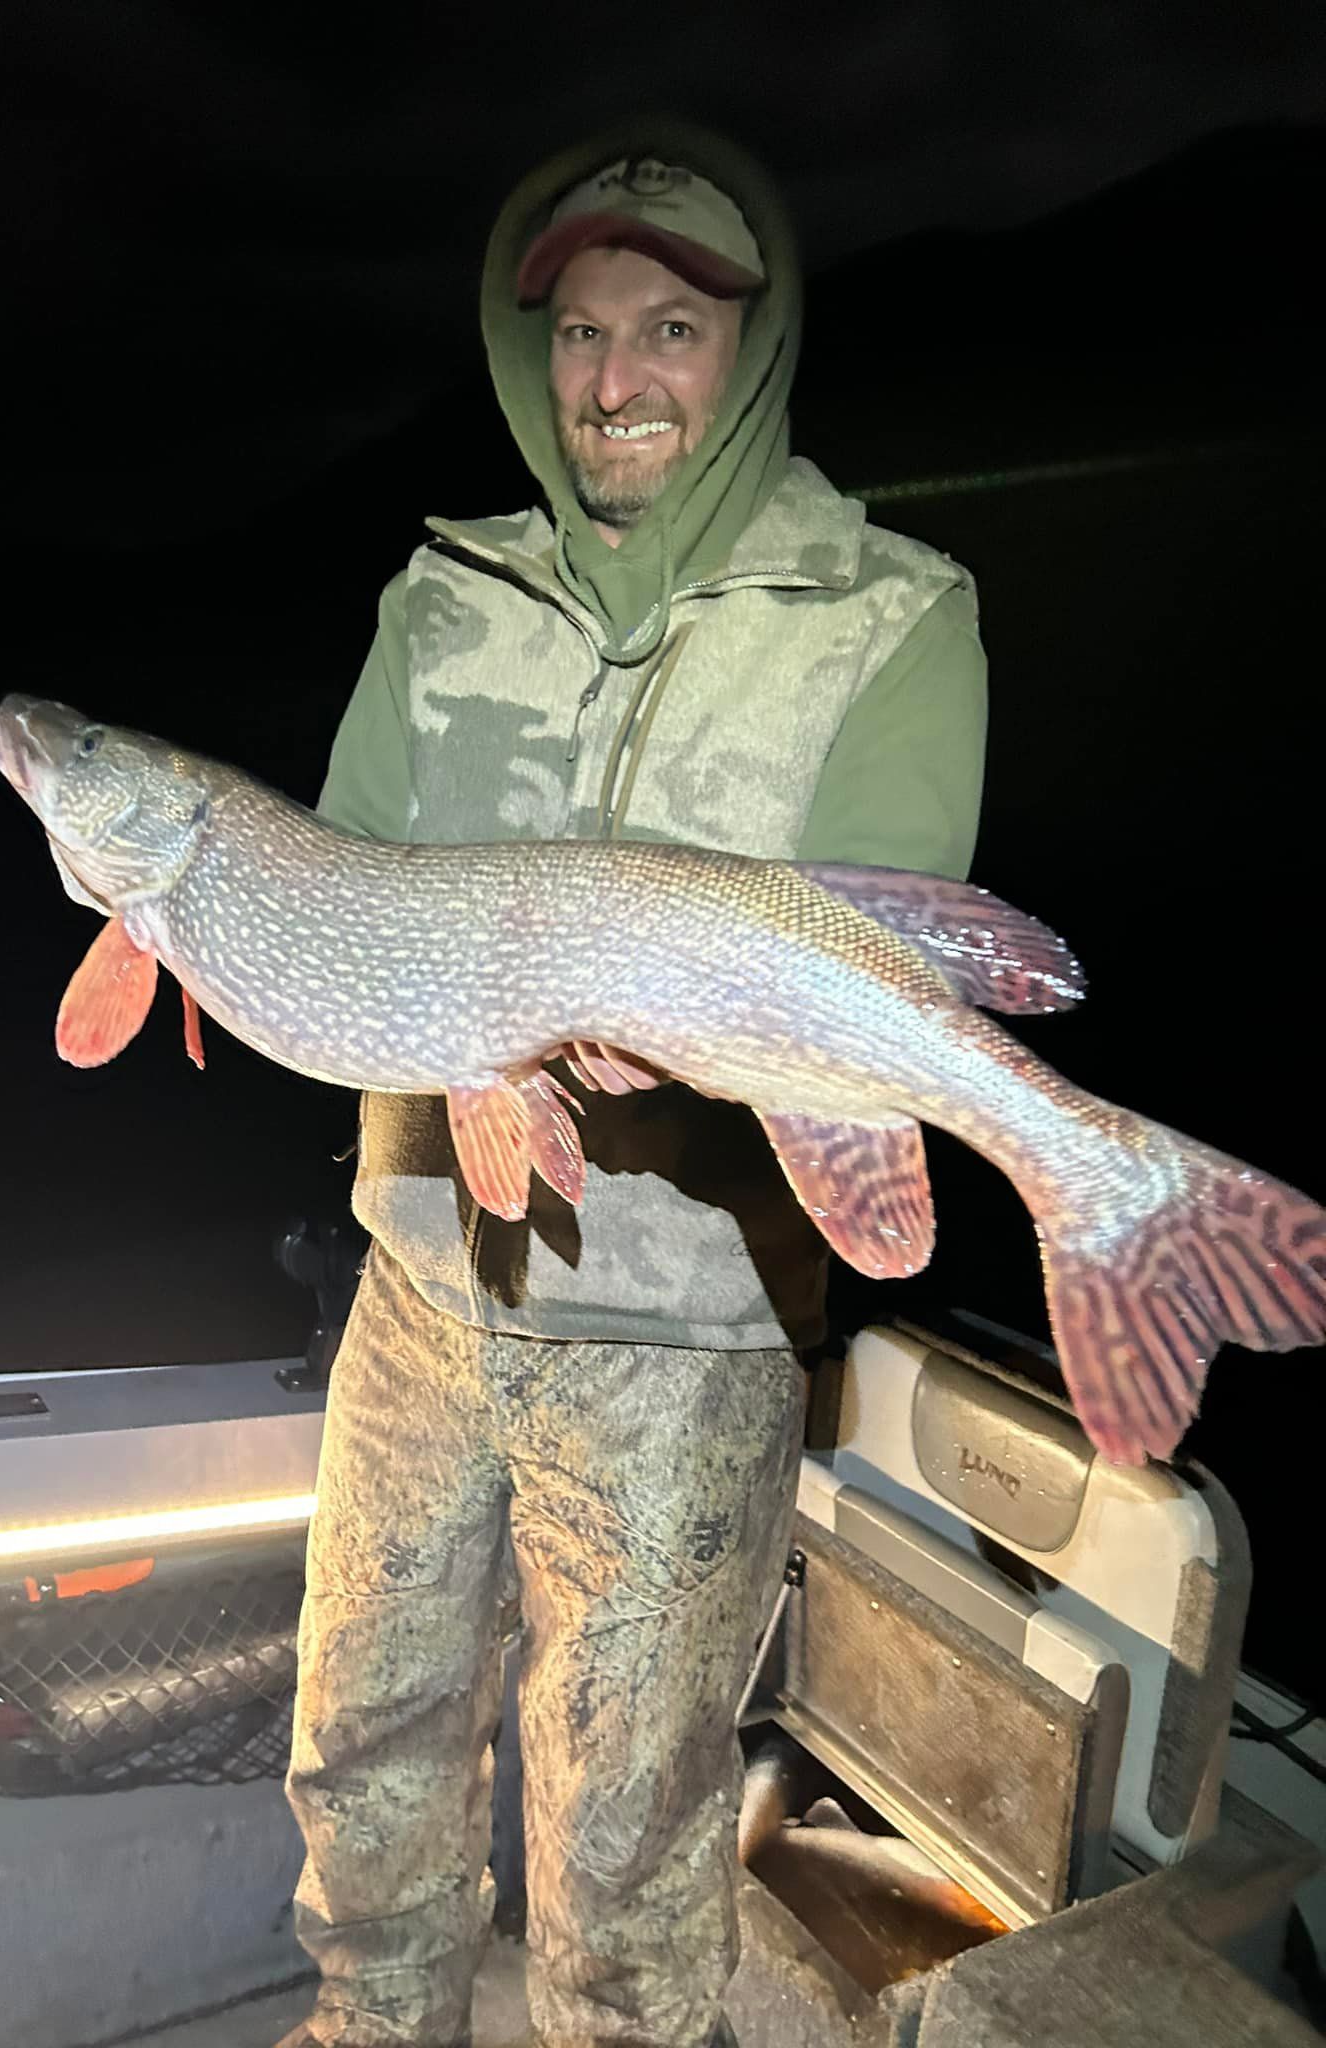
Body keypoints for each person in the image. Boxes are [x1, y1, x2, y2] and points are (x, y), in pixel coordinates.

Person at [280, 117, 987, 2048]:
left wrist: (645, 1012)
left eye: (671, 328)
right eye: (582, 332)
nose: (615, 381)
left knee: (625, 1845)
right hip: (425, 1285)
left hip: (686, 1337)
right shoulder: (443, 595)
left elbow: (876, 975)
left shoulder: (891, 615)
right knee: (361, 1744)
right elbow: (339, 875)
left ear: (749, 349)